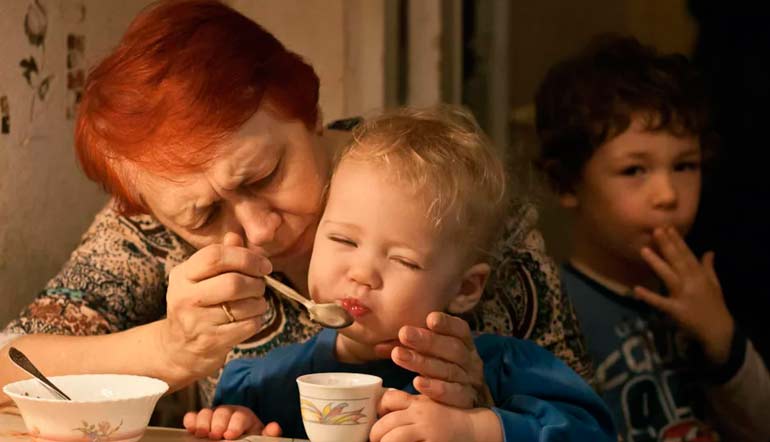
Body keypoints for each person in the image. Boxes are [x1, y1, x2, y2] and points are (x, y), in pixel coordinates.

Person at [0, 0, 590, 420]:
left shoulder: (440, 188)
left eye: (265, 175)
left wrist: (481, 414)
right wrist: (169, 350)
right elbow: (8, 365)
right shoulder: (153, 221)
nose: (256, 230)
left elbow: (578, 407)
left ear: (306, 109)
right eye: (204, 218)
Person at [183, 106, 616, 441]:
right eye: (343, 241)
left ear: (465, 288)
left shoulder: (501, 368)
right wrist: (238, 425)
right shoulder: (265, 381)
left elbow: (591, 432)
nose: (362, 273)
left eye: (404, 261)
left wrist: (475, 430)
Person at [534, 34, 770, 441]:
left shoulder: (707, 289)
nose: (668, 195)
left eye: (685, 165)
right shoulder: (551, 311)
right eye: (634, 171)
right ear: (566, 183)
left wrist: (723, 341)